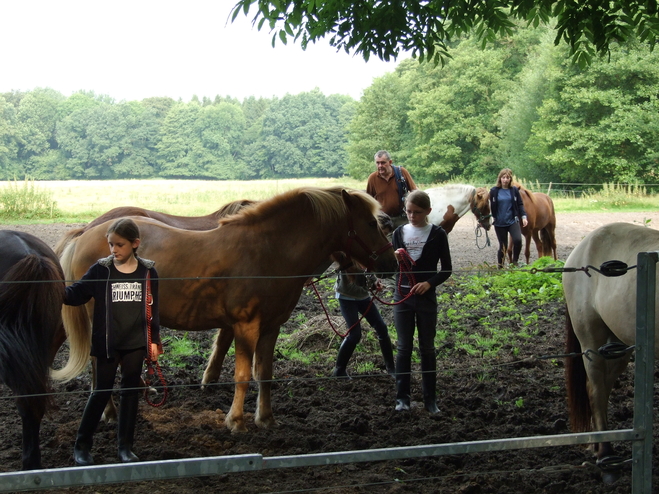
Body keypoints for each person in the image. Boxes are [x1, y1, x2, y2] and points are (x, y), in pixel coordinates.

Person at [65, 218, 162, 466]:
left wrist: (154, 341)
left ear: (135, 244)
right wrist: (53, 287)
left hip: (135, 344)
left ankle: (125, 448)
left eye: (119, 244)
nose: (114, 249)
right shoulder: (101, 270)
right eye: (111, 244)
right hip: (107, 345)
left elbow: (153, 309)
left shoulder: (148, 272)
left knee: (130, 394)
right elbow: (76, 294)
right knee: (101, 392)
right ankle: (82, 446)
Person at [391, 190, 452, 414]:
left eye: (417, 212)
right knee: (403, 347)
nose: (412, 216)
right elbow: (391, 269)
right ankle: (402, 399)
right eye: (408, 211)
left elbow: (447, 269)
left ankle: (430, 399)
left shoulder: (437, 234)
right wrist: (395, 259)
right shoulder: (398, 233)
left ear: (428, 211)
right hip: (403, 298)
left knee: (427, 348)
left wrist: (429, 283)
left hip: (426, 299)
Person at [331, 213, 396, 378]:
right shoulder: (355, 247)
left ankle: (391, 368)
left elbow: (368, 271)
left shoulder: (372, 251)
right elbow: (355, 273)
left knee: (382, 328)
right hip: (347, 296)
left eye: (387, 235)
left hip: (362, 297)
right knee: (355, 334)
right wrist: (370, 283)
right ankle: (339, 370)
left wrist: (374, 282)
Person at [366, 150, 417, 228]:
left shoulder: (401, 173)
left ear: (390, 162)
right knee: (387, 240)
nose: (380, 166)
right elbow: (368, 200)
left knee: (403, 239)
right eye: (377, 163)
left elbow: (415, 191)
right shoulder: (372, 178)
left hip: (402, 219)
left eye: (383, 162)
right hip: (383, 222)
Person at [489, 168, 528, 268]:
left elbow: (520, 204)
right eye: (503, 177)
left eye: (507, 178)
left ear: (510, 179)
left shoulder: (514, 190)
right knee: (503, 246)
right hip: (499, 222)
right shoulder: (494, 191)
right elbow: (487, 206)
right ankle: (500, 266)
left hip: (512, 221)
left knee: (518, 240)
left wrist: (524, 216)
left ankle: (515, 262)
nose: (505, 180)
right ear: (500, 178)